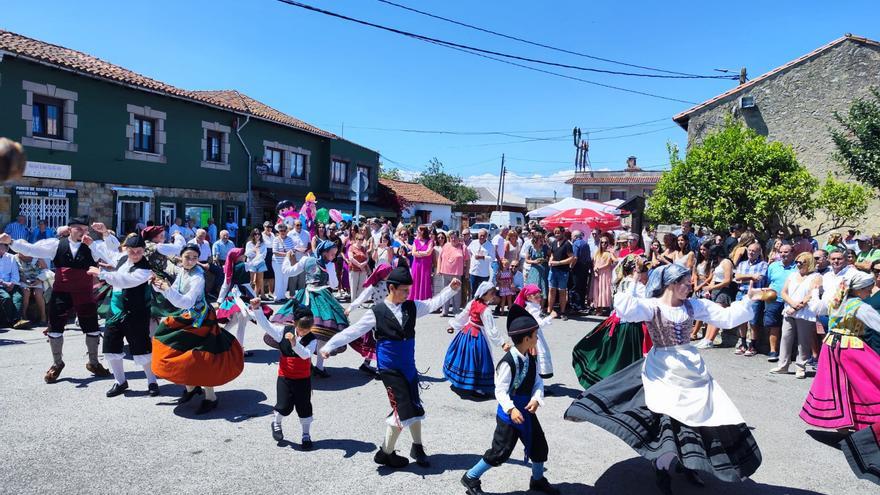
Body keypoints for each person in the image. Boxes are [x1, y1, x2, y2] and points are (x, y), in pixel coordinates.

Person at [565, 264, 762, 493]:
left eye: (690, 283)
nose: (689, 287)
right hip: (663, 368)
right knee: (670, 420)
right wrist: (634, 282)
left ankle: (690, 462)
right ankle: (662, 468)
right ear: (671, 283)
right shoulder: (652, 307)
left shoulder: (693, 305)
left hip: (691, 367)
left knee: (699, 418)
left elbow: (726, 318)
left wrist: (748, 299)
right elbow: (627, 310)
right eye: (685, 283)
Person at [319, 268, 460, 469]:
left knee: (413, 405)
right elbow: (353, 331)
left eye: (409, 290)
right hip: (389, 369)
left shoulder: (411, 307)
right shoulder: (377, 312)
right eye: (404, 290)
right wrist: (329, 346)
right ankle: (385, 452)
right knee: (402, 408)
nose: (407, 294)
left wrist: (450, 290)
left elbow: (431, 304)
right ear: (391, 288)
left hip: (408, 367)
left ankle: (417, 447)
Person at [460, 303, 559, 495]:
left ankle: (537, 480)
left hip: (526, 412)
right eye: (535, 335)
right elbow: (500, 391)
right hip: (509, 415)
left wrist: (537, 398)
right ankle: (471, 477)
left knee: (539, 447)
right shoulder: (507, 363)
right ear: (526, 338)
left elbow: (538, 382)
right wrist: (511, 409)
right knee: (500, 452)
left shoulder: (530, 358)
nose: (537, 338)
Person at [2, 218, 112, 382]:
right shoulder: (56, 244)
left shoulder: (92, 246)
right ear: (70, 229)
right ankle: (57, 363)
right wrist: (11, 241)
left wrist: (93, 244)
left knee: (92, 327)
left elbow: (109, 257)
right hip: (62, 292)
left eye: (85, 229)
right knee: (55, 327)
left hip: (84, 292)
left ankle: (94, 362)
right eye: (79, 228)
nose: (83, 232)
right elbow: (32, 249)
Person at [151, 244, 244, 414]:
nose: (191, 261)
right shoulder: (182, 271)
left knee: (202, 358)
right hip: (187, 317)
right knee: (180, 351)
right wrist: (159, 286)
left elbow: (185, 301)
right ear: (181, 257)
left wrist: (166, 290)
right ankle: (191, 388)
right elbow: (175, 293)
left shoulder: (198, 277)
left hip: (200, 320)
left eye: (195, 258)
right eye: (188, 257)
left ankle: (211, 398)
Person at [800, 270, 880, 432]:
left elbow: (816, 306)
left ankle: (842, 423)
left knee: (838, 385)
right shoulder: (859, 306)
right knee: (867, 380)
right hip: (850, 347)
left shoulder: (836, 301)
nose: (870, 291)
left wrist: (815, 291)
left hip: (830, 346)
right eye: (868, 288)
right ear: (858, 289)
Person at [88, 234, 157, 398]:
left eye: (139, 251)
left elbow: (125, 280)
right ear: (126, 250)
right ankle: (120, 382)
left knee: (142, 348)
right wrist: (92, 244)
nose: (135, 254)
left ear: (143, 251)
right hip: (115, 311)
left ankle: (152, 381)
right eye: (132, 251)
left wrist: (103, 274)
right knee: (111, 346)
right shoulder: (121, 259)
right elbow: (108, 254)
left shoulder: (145, 270)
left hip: (136, 312)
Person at [572, 255, 651, 389]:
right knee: (624, 363)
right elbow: (632, 306)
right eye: (643, 270)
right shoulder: (632, 284)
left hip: (627, 325)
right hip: (629, 328)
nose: (646, 273)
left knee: (621, 361)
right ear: (634, 270)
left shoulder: (629, 283)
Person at [273, 240, 348, 378]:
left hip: (306, 296)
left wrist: (287, 259)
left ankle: (309, 363)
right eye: (332, 254)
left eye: (334, 254)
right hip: (322, 298)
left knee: (305, 330)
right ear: (324, 252)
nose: (333, 256)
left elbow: (287, 271)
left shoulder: (306, 260)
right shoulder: (329, 265)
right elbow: (334, 284)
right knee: (323, 332)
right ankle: (318, 366)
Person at [254, 301, 317, 449]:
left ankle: (306, 435)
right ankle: (276, 423)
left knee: (304, 406)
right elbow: (266, 325)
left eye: (308, 329)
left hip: (303, 378)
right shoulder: (283, 332)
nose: (304, 332)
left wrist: (295, 343)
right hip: (285, 376)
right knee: (284, 406)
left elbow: (305, 355)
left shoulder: (312, 339)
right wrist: (257, 309)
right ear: (295, 324)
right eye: (302, 329)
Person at [444, 281, 505, 397]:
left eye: (494, 293)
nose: (494, 295)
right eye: (492, 293)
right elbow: (491, 328)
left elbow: (463, 315)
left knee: (465, 358)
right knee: (478, 361)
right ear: (484, 294)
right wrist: (501, 342)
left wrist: (453, 325)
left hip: (466, 332)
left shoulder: (473, 302)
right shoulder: (485, 310)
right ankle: (477, 387)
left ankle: (462, 382)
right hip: (476, 336)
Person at [769, 252, 821, 378]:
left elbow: (811, 294)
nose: (798, 264)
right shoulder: (793, 275)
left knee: (803, 341)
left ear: (809, 263)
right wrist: (792, 305)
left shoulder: (816, 276)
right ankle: (783, 365)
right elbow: (784, 292)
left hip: (805, 312)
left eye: (801, 262)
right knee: (786, 338)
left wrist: (797, 307)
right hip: (789, 310)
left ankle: (800, 367)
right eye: (797, 262)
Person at [695, 245, 737, 349]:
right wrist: (710, 289)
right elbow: (714, 276)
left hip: (724, 290)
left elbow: (728, 280)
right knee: (712, 316)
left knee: (718, 316)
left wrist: (712, 286)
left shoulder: (726, 262)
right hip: (716, 290)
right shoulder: (717, 263)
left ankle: (710, 340)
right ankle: (706, 338)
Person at [732, 242, 768, 356]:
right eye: (749, 250)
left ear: (759, 252)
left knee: (753, 321)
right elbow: (737, 277)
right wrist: (752, 276)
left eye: (754, 251)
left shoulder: (763, 265)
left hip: (754, 294)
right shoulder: (742, 264)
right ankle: (743, 343)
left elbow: (759, 278)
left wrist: (744, 278)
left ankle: (752, 345)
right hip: (741, 293)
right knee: (742, 319)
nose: (751, 252)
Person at [516, 284, 556, 380]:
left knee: (535, 360)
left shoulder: (532, 306)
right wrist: (551, 316)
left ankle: (535, 382)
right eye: (536, 296)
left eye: (540, 295)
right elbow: (539, 324)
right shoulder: (532, 308)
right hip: (534, 337)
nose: (539, 298)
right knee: (536, 358)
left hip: (533, 335)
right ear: (529, 297)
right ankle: (535, 383)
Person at [765, 244, 797, 362]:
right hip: (774, 300)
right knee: (774, 325)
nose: (783, 254)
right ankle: (773, 351)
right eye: (781, 252)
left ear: (792, 253)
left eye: (786, 252)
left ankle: (789, 353)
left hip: (791, 301)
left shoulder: (797, 267)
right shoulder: (773, 266)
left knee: (791, 327)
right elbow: (768, 281)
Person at [13, 251, 48, 328]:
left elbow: (46, 270)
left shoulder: (37, 256)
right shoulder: (15, 258)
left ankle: (43, 317)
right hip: (23, 280)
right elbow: (15, 272)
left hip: (38, 279)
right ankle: (24, 317)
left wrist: (39, 280)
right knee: (26, 292)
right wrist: (24, 280)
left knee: (38, 294)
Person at [439, 230, 468, 317]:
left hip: (457, 273)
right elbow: (440, 258)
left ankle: (456, 310)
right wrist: (439, 270)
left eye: (455, 237)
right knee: (445, 292)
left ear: (458, 238)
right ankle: (445, 311)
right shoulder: (445, 245)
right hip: (445, 272)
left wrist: (467, 272)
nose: (453, 239)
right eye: (451, 237)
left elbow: (468, 260)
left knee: (456, 293)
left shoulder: (463, 247)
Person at [547, 228, 574, 320]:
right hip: (553, 270)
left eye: (558, 232)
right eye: (555, 233)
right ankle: (549, 311)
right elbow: (552, 254)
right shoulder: (554, 243)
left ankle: (562, 312)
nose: (556, 234)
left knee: (562, 291)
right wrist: (550, 260)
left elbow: (571, 258)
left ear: (563, 233)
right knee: (551, 290)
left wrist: (558, 263)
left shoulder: (567, 244)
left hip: (563, 271)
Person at [590, 234, 615, 317]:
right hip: (597, 273)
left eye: (605, 242)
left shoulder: (609, 253)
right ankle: (597, 308)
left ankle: (602, 308)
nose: (604, 244)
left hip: (605, 274)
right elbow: (593, 262)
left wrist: (598, 268)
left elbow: (608, 264)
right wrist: (595, 269)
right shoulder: (597, 253)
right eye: (602, 242)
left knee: (603, 290)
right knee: (596, 291)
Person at [0, 238, 22, 328]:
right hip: (1, 285)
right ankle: (8, 321)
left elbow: (15, 273)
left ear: (6, 248)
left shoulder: (11, 257)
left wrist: (12, 283)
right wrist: (4, 283)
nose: (1, 249)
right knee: (6, 297)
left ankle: (17, 321)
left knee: (18, 297)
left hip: (11, 284)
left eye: (2, 247)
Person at [271, 223, 295, 302]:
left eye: (284, 230)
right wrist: (286, 254)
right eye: (281, 231)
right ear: (279, 231)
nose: (283, 232)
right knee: (279, 279)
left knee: (285, 279)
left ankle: (283, 296)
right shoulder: (276, 239)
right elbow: (275, 252)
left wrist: (290, 255)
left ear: (286, 231)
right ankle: (277, 297)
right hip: (277, 262)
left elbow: (292, 250)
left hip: (286, 262)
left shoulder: (290, 239)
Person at [409, 225, 434, 300]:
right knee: (415, 281)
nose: (417, 232)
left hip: (425, 265)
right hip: (416, 265)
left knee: (425, 282)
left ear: (422, 231)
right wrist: (424, 253)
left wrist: (418, 252)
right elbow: (413, 253)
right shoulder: (416, 241)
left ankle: (424, 300)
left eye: (418, 231)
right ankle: (414, 299)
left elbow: (429, 253)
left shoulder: (430, 241)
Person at [570, 230, 592, 313]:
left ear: (575, 236)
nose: (571, 238)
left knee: (575, 287)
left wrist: (571, 267)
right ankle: (582, 305)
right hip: (585, 267)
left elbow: (575, 257)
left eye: (572, 236)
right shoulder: (585, 243)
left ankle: (576, 306)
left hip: (577, 267)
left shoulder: (576, 244)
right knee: (582, 287)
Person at [289, 219, 311, 294]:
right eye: (297, 225)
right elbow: (288, 246)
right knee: (293, 278)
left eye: (300, 225)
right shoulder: (290, 234)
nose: (299, 226)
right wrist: (297, 249)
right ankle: (292, 295)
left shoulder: (306, 233)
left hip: (303, 258)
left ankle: (301, 295)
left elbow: (309, 245)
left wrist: (306, 250)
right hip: (293, 258)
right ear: (294, 225)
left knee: (302, 279)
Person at [525, 232, 550, 299]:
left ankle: (541, 307)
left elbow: (550, 257)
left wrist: (545, 260)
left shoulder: (545, 247)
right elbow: (527, 260)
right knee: (534, 287)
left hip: (544, 269)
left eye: (542, 238)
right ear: (535, 239)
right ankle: (534, 305)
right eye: (540, 238)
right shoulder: (530, 247)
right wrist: (534, 261)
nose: (542, 240)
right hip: (534, 270)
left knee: (543, 287)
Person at [245, 228, 268, 300]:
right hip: (251, 263)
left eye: (258, 234)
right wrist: (255, 249)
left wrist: (256, 254)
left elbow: (263, 255)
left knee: (260, 280)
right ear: (253, 235)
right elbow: (247, 254)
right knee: (252, 281)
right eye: (255, 234)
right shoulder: (249, 243)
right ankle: (250, 295)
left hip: (260, 263)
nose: (257, 235)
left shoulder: (263, 243)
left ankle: (256, 295)